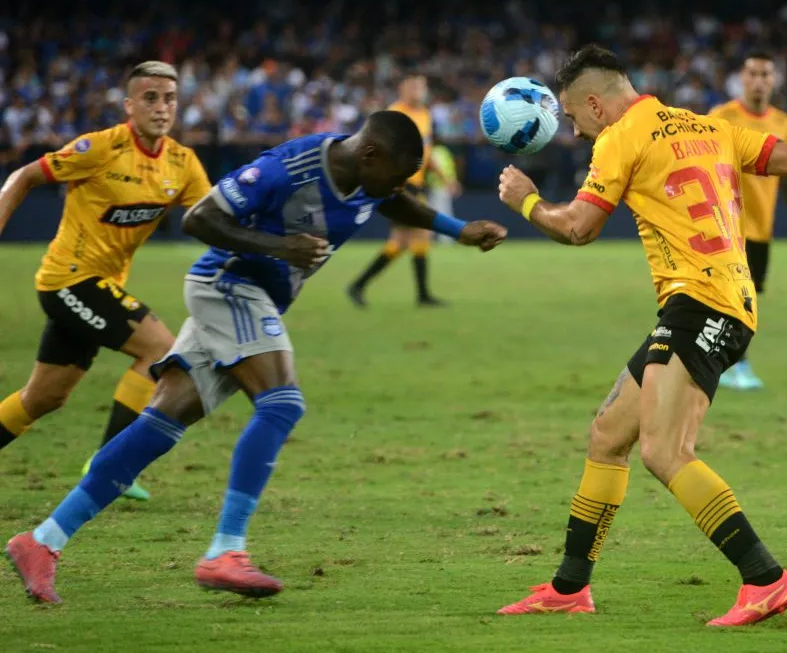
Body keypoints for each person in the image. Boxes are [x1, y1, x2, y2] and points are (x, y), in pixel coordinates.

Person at [5, 110, 506, 604]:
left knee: (164, 420)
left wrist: (456, 228)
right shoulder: (288, 169)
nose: (395, 186)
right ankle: (226, 551)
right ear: (370, 154)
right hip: (228, 285)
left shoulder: (372, 179)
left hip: (253, 297)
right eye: (395, 174)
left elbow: (394, 201)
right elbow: (200, 218)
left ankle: (42, 540)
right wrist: (278, 246)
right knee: (282, 403)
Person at [495, 45, 787, 626]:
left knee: (664, 452)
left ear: (595, 103)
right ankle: (569, 587)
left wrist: (527, 203)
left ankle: (765, 579)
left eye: (573, 117)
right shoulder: (712, 127)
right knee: (607, 436)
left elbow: (578, 228)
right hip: (718, 304)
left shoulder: (619, 138)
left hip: (702, 306)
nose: (574, 127)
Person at [0, 62, 211, 502]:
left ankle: (108, 466)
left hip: (99, 287)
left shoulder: (182, 163)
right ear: (130, 105)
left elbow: (214, 218)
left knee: (43, 398)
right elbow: (23, 177)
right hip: (68, 280)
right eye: (150, 98)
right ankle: (109, 469)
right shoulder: (99, 149)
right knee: (158, 349)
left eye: (169, 98)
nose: (161, 107)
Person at [708, 51, 787, 390]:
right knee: (732, 297)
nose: (759, 80)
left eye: (766, 74)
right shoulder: (721, 116)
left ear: (774, 80)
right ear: (742, 78)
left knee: (749, 298)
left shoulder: (783, 122)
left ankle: (725, 361)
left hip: (761, 227)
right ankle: (735, 364)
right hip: (726, 226)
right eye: (752, 73)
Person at [348, 73, 460, 307]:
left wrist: (445, 178)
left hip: (416, 183)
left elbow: (426, 153)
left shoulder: (425, 115)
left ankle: (359, 286)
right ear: (402, 88)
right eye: (413, 86)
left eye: (422, 86)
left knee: (401, 241)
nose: (418, 90)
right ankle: (422, 296)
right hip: (399, 182)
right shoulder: (394, 114)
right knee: (420, 234)